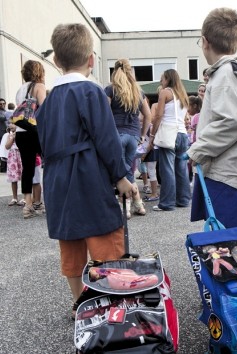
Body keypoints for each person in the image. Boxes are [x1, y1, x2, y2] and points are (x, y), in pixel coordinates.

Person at [36, 23, 137, 309]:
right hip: (88, 174)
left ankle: (80, 302)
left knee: (70, 243)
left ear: (56, 61)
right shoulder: (91, 92)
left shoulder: (49, 99)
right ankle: (112, 300)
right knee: (105, 235)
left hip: (56, 176)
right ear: (91, 59)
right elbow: (106, 138)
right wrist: (120, 175)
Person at [186, 8, 237, 228]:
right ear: (236, 43)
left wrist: (198, 150)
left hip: (226, 175)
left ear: (204, 41)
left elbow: (236, 119)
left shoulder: (226, 74)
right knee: (232, 247)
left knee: (226, 250)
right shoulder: (234, 72)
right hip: (233, 173)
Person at [105, 58, 151, 218]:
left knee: (120, 172)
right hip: (133, 136)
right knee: (129, 170)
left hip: (116, 135)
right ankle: (137, 203)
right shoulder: (138, 91)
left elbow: (105, 114)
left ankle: (126, 205)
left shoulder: (111, 89)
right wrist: (143, 135)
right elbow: (148, 115)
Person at [148, 69, 191, 211]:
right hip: (182, 134)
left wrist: (153, 134)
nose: (161, 81)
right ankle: (183, 199)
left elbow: (158, 115)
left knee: (167, 169)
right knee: (181, 168)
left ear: (168, 79)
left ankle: (166, 203)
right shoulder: (183, 95)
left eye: (162, 78)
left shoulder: (165, 92)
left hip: (169, 133)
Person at [14, 60, 47, 219]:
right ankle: (43, 201)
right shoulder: (39, 87)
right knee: (51, 162)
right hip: (35, 131)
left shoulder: (20, 89)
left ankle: (27, 205)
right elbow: (45, 109)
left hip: (21, 132)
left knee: (27, 168)